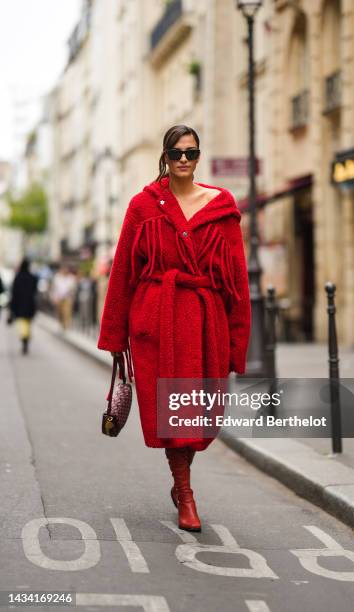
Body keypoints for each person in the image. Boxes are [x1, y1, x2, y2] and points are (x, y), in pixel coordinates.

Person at [97, 124, 251, 532]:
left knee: (200, 415)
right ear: (164, 156)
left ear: (199, 157)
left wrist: (239, 342)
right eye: (177, 152)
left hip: (206, 324)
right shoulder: (142, 206)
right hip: (155, 320)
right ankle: (185, 493)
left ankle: (181, 479)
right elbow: (123, 273)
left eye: (192, 153)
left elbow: (236, 279)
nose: (184, 159)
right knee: (174, 414)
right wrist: (114, 336)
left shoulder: (222, 206)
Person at [9, 257, 39, 355]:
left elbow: (13, 293)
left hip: (20, 305)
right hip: (30, 304)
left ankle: (24, 340)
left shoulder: (18, 277)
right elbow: (35, 291)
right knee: (27, 323)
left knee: (22, 324)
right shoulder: (33, 277)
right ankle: (26, 340)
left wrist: (12, 307)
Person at [50, 265, 77, 330]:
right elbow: (54, 288)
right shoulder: (57, 277)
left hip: (67, 298)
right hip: (59, 298)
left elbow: (73, 288)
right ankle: (61, 323)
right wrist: (54, 297)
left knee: (67, 312)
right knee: (60, 312)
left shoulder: (71, 278)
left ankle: (66, 326)